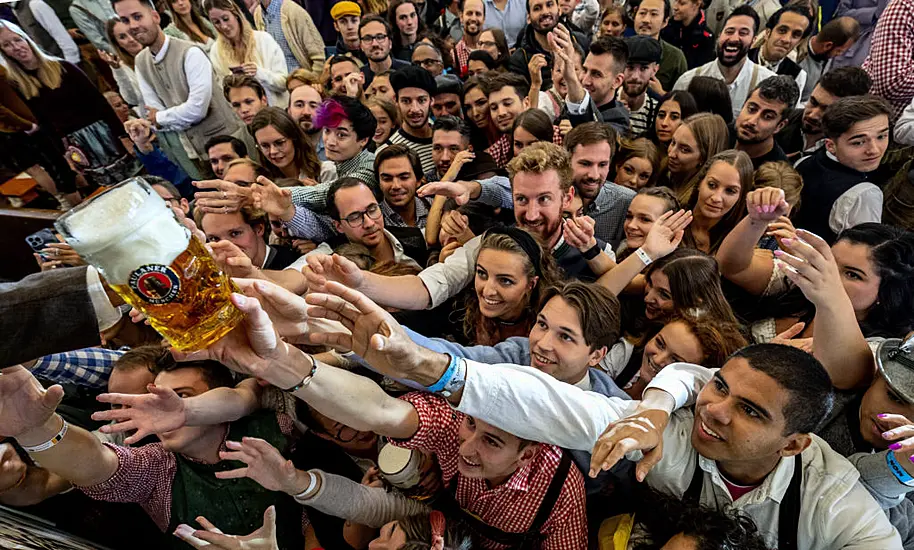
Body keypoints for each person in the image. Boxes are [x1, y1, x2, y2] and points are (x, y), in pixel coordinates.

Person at [296, 280, 904, 549]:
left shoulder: (834, 508)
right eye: (718, 388)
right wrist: (431, 369)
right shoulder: (660, 435)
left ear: (793, 444)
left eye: (748, 412)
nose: (714, 412)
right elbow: (550, 404)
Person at [0, 361, 316, 548]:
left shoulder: (280, 423)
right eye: (155, 398)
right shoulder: (158, 467)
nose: (162, 409)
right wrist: (36, 430)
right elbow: (96, 464)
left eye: (182, 397)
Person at [302, 142, 617, 308]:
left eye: (544, 199)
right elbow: (428, 287)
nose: (531, 213)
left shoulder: (597, 253)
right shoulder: (493, 242)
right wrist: (361, 282)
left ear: (568, 197)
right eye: (522, 199)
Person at [717, 192, 914, 342]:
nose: (829, 275)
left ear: (886, 292)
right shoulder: (801, 282)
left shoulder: (875, 347)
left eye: (852, 274)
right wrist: (757, 220)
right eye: (830, 261)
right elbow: (732, 266)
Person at [0, 21, 140, 190]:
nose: (16, 47)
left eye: (17, 40)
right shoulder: (20, 85)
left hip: (103, 133)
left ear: (27, 40)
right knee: (110, 189)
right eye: (7, 45)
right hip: (75, 145)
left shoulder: (63, 67)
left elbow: (100, 104)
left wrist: (123, 136)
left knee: (136, 176)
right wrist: (64, 155)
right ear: (4, 53)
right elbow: (46, 125)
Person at [114, 0, 247, 172]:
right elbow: (152, 116)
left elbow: (197, 110)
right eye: (125, 20)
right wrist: (168, 117)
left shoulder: (190, 52)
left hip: (230, 149)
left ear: (155, 16)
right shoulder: (141, 61)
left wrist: (162, 117)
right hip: (194, 157)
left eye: (137, 16)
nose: (132, 25)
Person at [793, 95, 891, 244]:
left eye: (881, 136)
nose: (874, 150)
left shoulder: (803, 162)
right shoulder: (864, 194)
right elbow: (861, 252)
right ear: (830, 145)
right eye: (858, 142)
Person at [454, 228, 563, 346]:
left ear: (530, 284)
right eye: (482, 273)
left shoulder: (553, 325)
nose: (487, 291)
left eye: (505, 281)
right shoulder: (458, 311)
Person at [673, 5, 777, 121]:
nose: (733, 39)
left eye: (743, 33)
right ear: (719, 35)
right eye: (729, 31)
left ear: (753, 40)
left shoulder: (766, 83)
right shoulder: (688, 80)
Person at [563, 122, 637, 248]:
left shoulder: (626, 202)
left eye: (602, 165)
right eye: (585, 163)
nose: (594, 175)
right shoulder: (549, 199)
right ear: (567, 160)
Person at [776, 66, 872, 160]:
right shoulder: (779, 121)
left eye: (826, 110)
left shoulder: (851, 152)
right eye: (813, 102)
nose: (813, 115)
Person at [205, 0, 288, 108]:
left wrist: (258, 73)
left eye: (226, 19)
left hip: (276, 110)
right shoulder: (216, 51)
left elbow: (283, 83)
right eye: (216, 22)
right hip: (247, 119)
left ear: (236, 15)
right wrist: (233, 81)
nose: (223, 26)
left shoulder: (263, 40)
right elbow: (224, 94)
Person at [680, 149, 753, 254]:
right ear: (700, 181)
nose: (716, 198)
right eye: (712, 185)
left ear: (741, 197)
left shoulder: (738, 243)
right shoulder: (670, 219)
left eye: (730, 191)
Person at [561, 33, 631, 133]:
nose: (585, 81)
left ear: (617, 81)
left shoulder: (619, 122)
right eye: (584, 70)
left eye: (596, 74)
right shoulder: (569, 107)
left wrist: (575, 134)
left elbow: (596, 139)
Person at [194, 205, 299, 270]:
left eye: (235, 233)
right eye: (214, 239)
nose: (226, 245)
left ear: (259, 228)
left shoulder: (294, 262)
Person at [506, 1, 581, 91]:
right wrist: (535, 84)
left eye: (549, 5)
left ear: (559, 9)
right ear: (528, 18)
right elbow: (520, 100)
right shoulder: (520, 59)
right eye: (537, 8)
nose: (545, 12)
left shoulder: (580, 41)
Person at [732, 75, 798, 169]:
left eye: (767, 117)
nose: (752, 121)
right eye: (752, 109)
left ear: (780, 126)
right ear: (743, 105)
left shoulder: (777, 173)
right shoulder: (718, 135)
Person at [747, 6, 812, 98]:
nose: (787, 39)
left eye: (796, 35)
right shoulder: (743, 57)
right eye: (782, 30)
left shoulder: (797, 75)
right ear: (767, 33)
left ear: (800, 42)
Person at [660, 112, 729, 197]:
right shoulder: (660, 173)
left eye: (685, 150)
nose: (671, 154)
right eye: (673, 142)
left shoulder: (700, 199)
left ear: (704, 158)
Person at [384, 65, 436, 175]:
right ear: (396, 101)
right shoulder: (388, 151)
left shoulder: (447, 138)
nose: (415, 109)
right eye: (406, 101)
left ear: (431, 101)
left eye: (421, 100)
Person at [249, 106, 322, 183]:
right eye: (265, 146)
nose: (273, 151)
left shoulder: (325, 172)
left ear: (294, 138)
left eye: (279, 143)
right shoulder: (261, 182)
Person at [251, 0, 325, 74]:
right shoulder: (258, 13)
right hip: (274, 80)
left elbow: (319, 56)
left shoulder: (294, 11)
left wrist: (313, 81)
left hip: (301, 79)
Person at [798, 16, 860, 103]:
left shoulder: (826, 58)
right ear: (828, 46)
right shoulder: (797, 59)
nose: (839, 55)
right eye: (839, 51)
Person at [632, 0, 687, 93]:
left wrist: (661, 94)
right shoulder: (618, 50)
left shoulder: (675, 58)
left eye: (654, 14)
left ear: (665, 21)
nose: (646, 20)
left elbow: (682, 101)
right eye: (642, 13)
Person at [12, 0, 80, 64]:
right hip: (50, 63)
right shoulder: (15, 9)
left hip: (64, 61)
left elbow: (63, 39)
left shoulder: (35, 4)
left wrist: (71, 64)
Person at [620, 35, 662, 136]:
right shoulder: (605, 103)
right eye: (630, 67)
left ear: (654, 70)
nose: (635, 76)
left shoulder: (658, 113)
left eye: (643, 68)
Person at [359, 15, 411, 87]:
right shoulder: (359, 78)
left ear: (390, 42)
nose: (375, 44)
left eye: (380, 37)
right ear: (361, 45)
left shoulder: (409, 71)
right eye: (367, 39)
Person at [661, 0, 715, 69]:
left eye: (682, 3)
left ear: (697, 4)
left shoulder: (706, 37)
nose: (675, 7)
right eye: (675, 1)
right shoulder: (665, 27)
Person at [452, 0, 484, 77]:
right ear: (461, 17)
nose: (473, 18)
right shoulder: (454, 54)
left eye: (478, 14)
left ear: (484, 18)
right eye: (469, 13)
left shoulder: (491, 49)